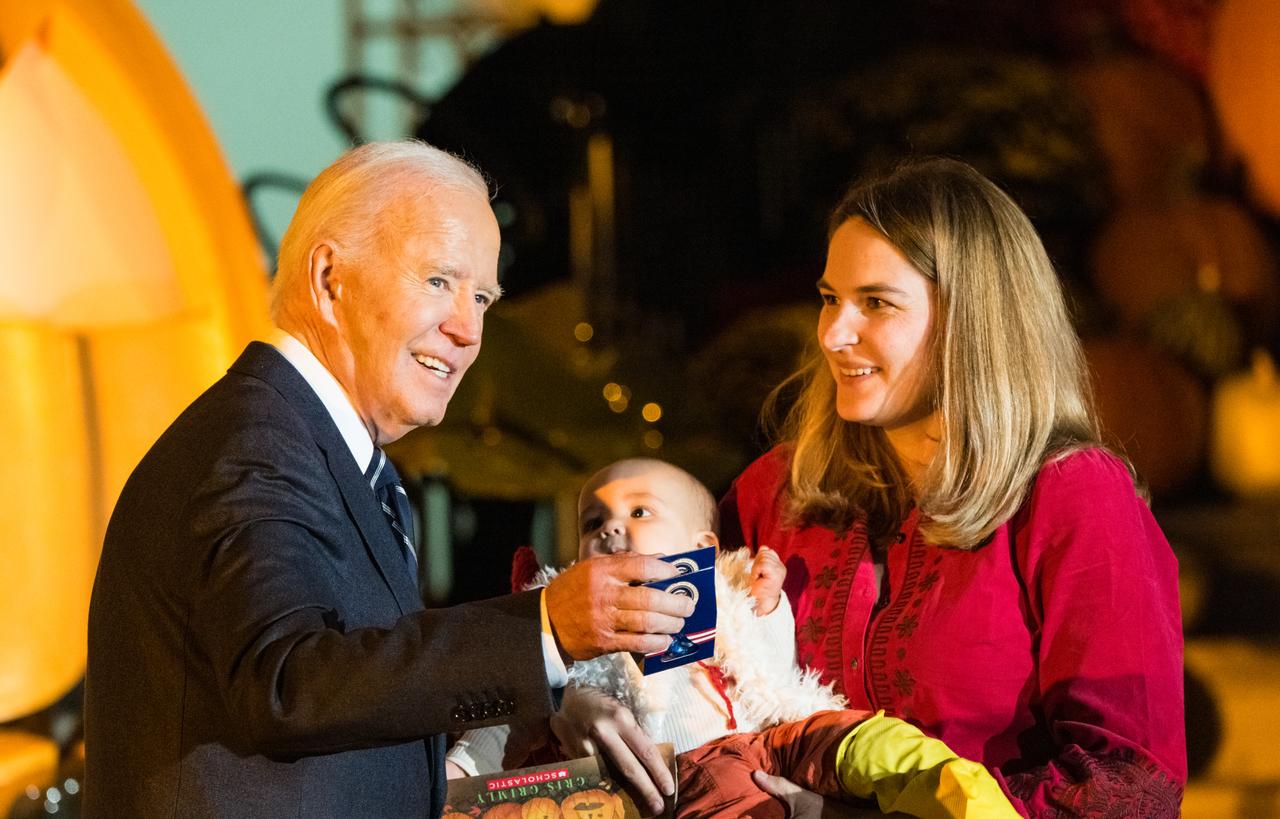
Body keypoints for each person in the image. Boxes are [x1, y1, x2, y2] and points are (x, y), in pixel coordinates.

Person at [83, 140, 694, 819]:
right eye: (438, 281)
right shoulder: (254, 445)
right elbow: (290, 682)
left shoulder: (326, 451)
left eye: (484, 296)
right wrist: (545, 630)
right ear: (328, 279)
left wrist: (545, 695)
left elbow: (363, 691)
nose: (468, 328)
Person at [561, 158, 1187, 817]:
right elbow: (628, 623)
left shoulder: (1074, 496)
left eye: (876, 302)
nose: (834, 333)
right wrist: (580, 694)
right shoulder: (779, 490)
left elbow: (1127, 788)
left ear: (969, 320)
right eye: (830, 298)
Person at [448, 458, 1020, 819]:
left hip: (745, 753)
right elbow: (511, 710)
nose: (611, 528)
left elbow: (769, 680)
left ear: (699, 546)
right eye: (593, 523)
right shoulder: (565, 625)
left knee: (876, 743)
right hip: (624, 790)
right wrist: (457, 779)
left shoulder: (722, 594)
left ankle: (961, 802)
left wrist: (764, 606)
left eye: (638, 511)